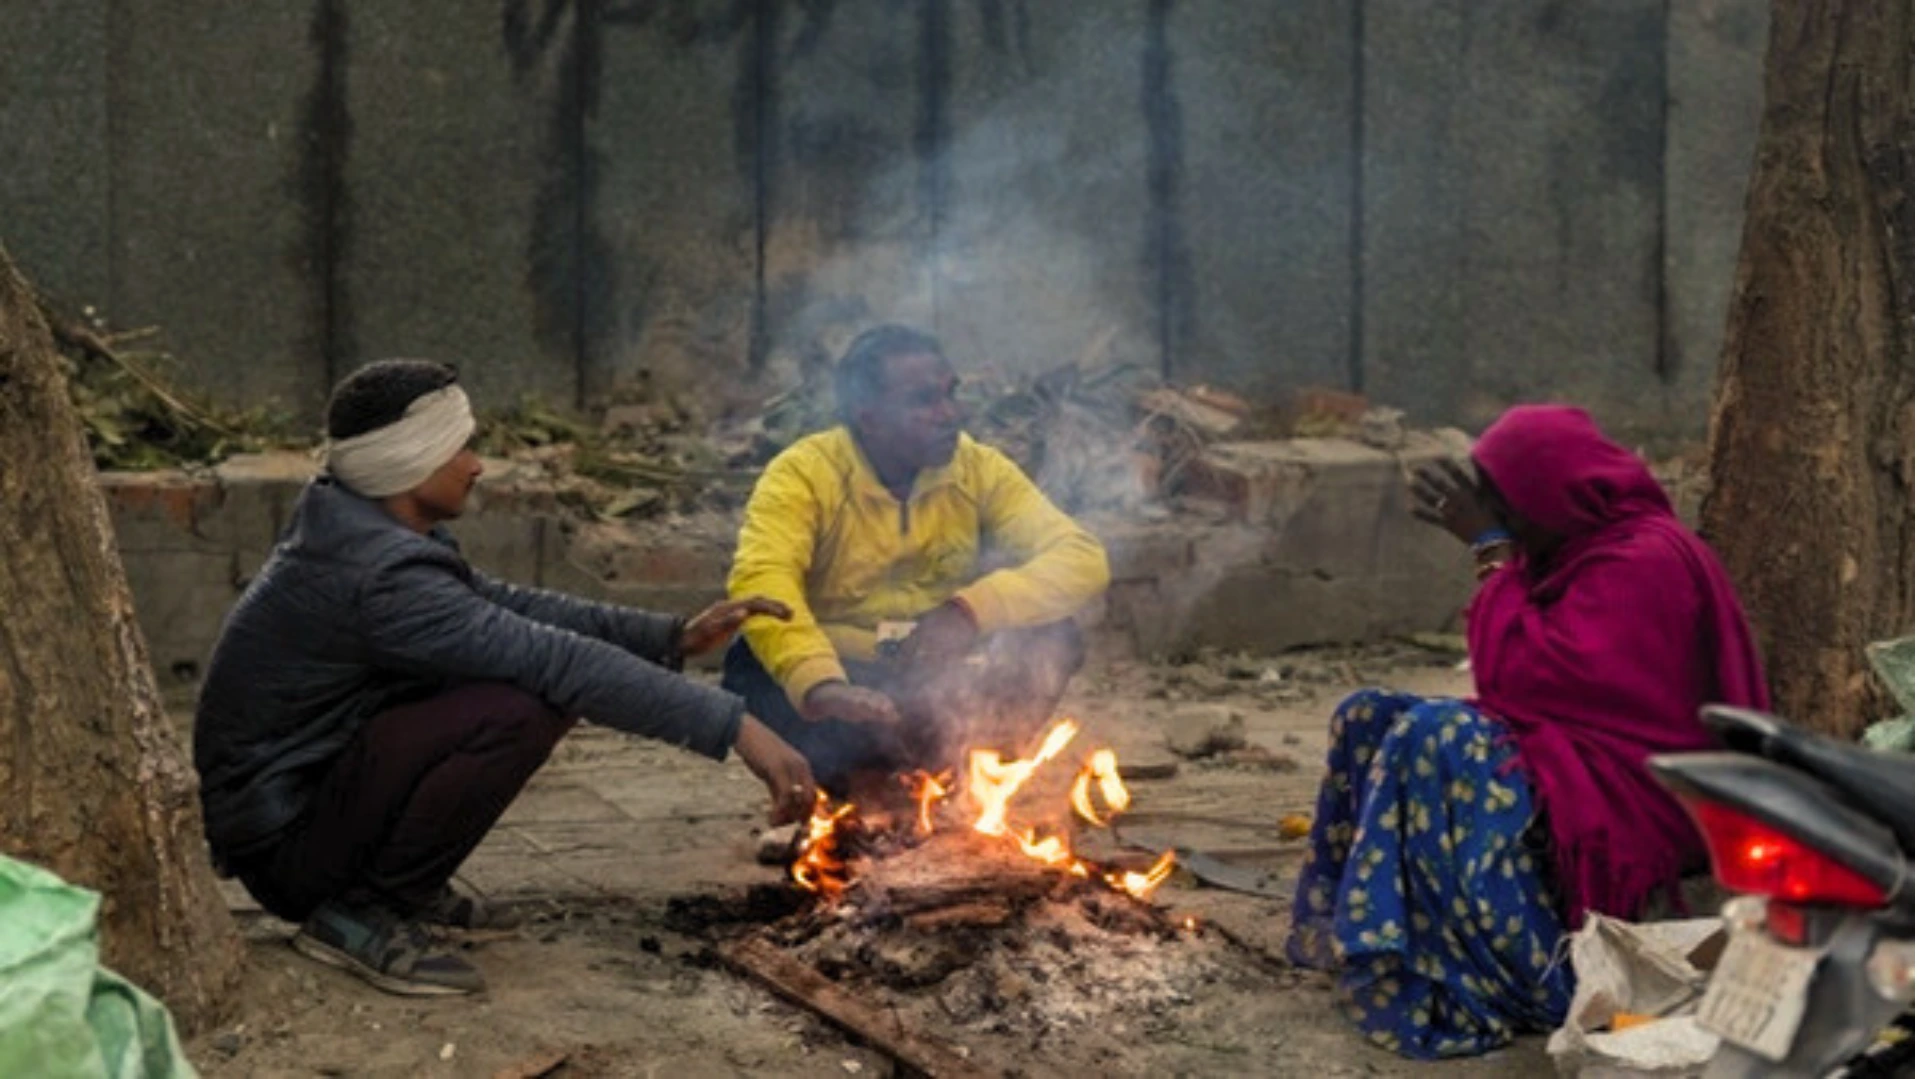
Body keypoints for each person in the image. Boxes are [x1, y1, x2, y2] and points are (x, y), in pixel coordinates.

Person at [192, 359, 816, 998]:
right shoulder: (380, 575)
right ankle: (363, 912)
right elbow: (556, 660)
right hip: (288, 849)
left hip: (300, 809)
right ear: (411, 459)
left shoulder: (363, 527)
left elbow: (503, 606)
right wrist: (735, 725)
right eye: (463, 446)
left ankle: (394, 883)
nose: (478, 464)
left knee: (516, 683)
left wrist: (668, 637)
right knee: (520, 706)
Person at [1285, 404, 1769, 1058]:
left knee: (1436, 737)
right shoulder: (1574, 548)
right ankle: (1369, 941)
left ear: (1551, 494)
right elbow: (1524, 687)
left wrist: (1490, 551)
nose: (1498, 519)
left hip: (1633, 794)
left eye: (1505, 504)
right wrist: (1500, 549)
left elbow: (1526, 678)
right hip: (1571, 756)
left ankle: (1529, 977)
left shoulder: (1643, 558)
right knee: (1367, 713)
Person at [723, 325, 1111, 796]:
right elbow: (762, 581)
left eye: (951, 394)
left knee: (1052, 634)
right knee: (751, 662)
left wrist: (968, 612)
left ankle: (957, 778)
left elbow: (1083, 558)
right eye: (924, 401)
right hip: (844, 685)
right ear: (869, 418)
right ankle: (856, 790)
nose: (950, 414)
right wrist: (818, 683)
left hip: (937, 679)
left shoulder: (976, 468)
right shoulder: (802, 474)